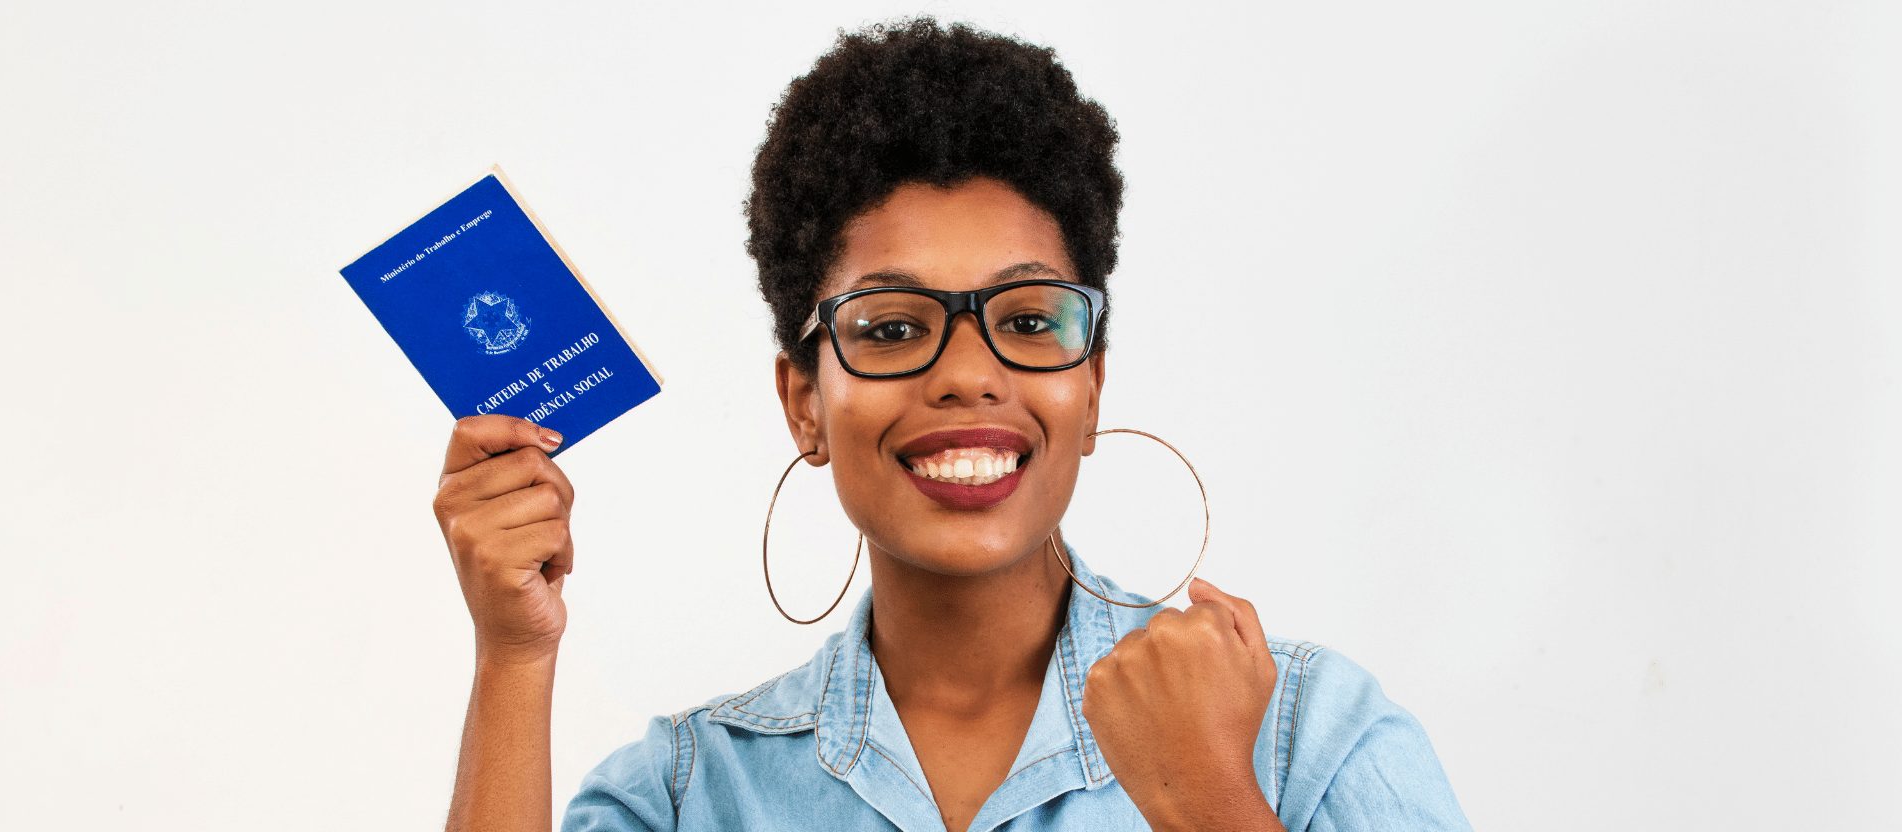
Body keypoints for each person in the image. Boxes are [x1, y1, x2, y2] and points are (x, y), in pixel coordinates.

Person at [434, 17, 1470, 832]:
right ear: (805, 401)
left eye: (1027, 319)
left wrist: (1208, 801)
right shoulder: (687, 794)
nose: (970, 374)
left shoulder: (1303, 735)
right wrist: (513, 658)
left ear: (1092, 382)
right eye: (890, 326)